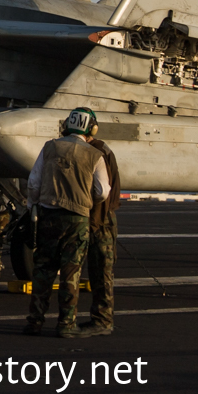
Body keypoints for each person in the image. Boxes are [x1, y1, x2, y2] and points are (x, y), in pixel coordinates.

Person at [23, 108, 110, 338]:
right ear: (92, 128)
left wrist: (34, 205)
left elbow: (33, 183)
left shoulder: (50, 147)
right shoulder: (94, 155)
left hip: (49, 216)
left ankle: (35, 321)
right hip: (77, 218)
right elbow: (102, 192)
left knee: (43, 271)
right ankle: (66, 324)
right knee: (70, 273)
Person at [84, 124, 122, 337]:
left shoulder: (98, 152)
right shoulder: (102, 149)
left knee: (102, 273)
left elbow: (102, 192)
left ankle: (102, 320)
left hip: (100, 219)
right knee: (100, 273)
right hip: (100, 218)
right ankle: (100, 319)